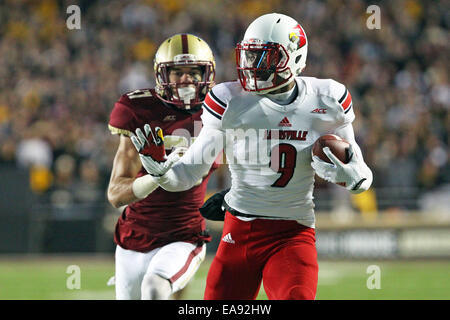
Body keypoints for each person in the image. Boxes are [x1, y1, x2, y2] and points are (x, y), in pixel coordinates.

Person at [130, 13, 373, 300]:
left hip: (293, 233)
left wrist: (354, 177)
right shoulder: (229, 100)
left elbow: (363, 175)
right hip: (239, 232)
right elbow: (187, 174)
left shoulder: (327, 99)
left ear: (294, 58)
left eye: (264, 58)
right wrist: (161, 173)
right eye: (250, 56)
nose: (252, 67)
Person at [106, 33, 218, 300]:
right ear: (161, 75)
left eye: (194, 71)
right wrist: (157, 176)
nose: (186, 80)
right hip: (133, 237)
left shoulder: (220, 112)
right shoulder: (139, 109)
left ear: (208, 73)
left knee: (155, 290)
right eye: (178, 72)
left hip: (184, 234)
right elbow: (115, 194)